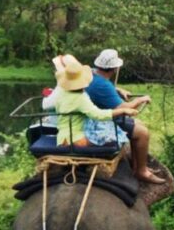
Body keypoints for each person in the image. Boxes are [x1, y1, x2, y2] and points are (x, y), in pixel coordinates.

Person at [86, 49, 165, 184]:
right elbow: (124, 108)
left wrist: (118, 90)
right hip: (99, 121)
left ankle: (138, 164)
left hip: (90, 115)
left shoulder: (91, 74)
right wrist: (140, 100)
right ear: (115, 69)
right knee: (142, 132)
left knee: (137, 123)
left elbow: (103, 89)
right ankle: (141, 171)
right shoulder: (103, 85)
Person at [51, 54, 138, 147]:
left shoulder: (61, 94)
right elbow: (98, 115)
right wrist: (123, 110)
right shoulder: (81, 98)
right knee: (112, 137)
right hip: (76, 140)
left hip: (62, 138)